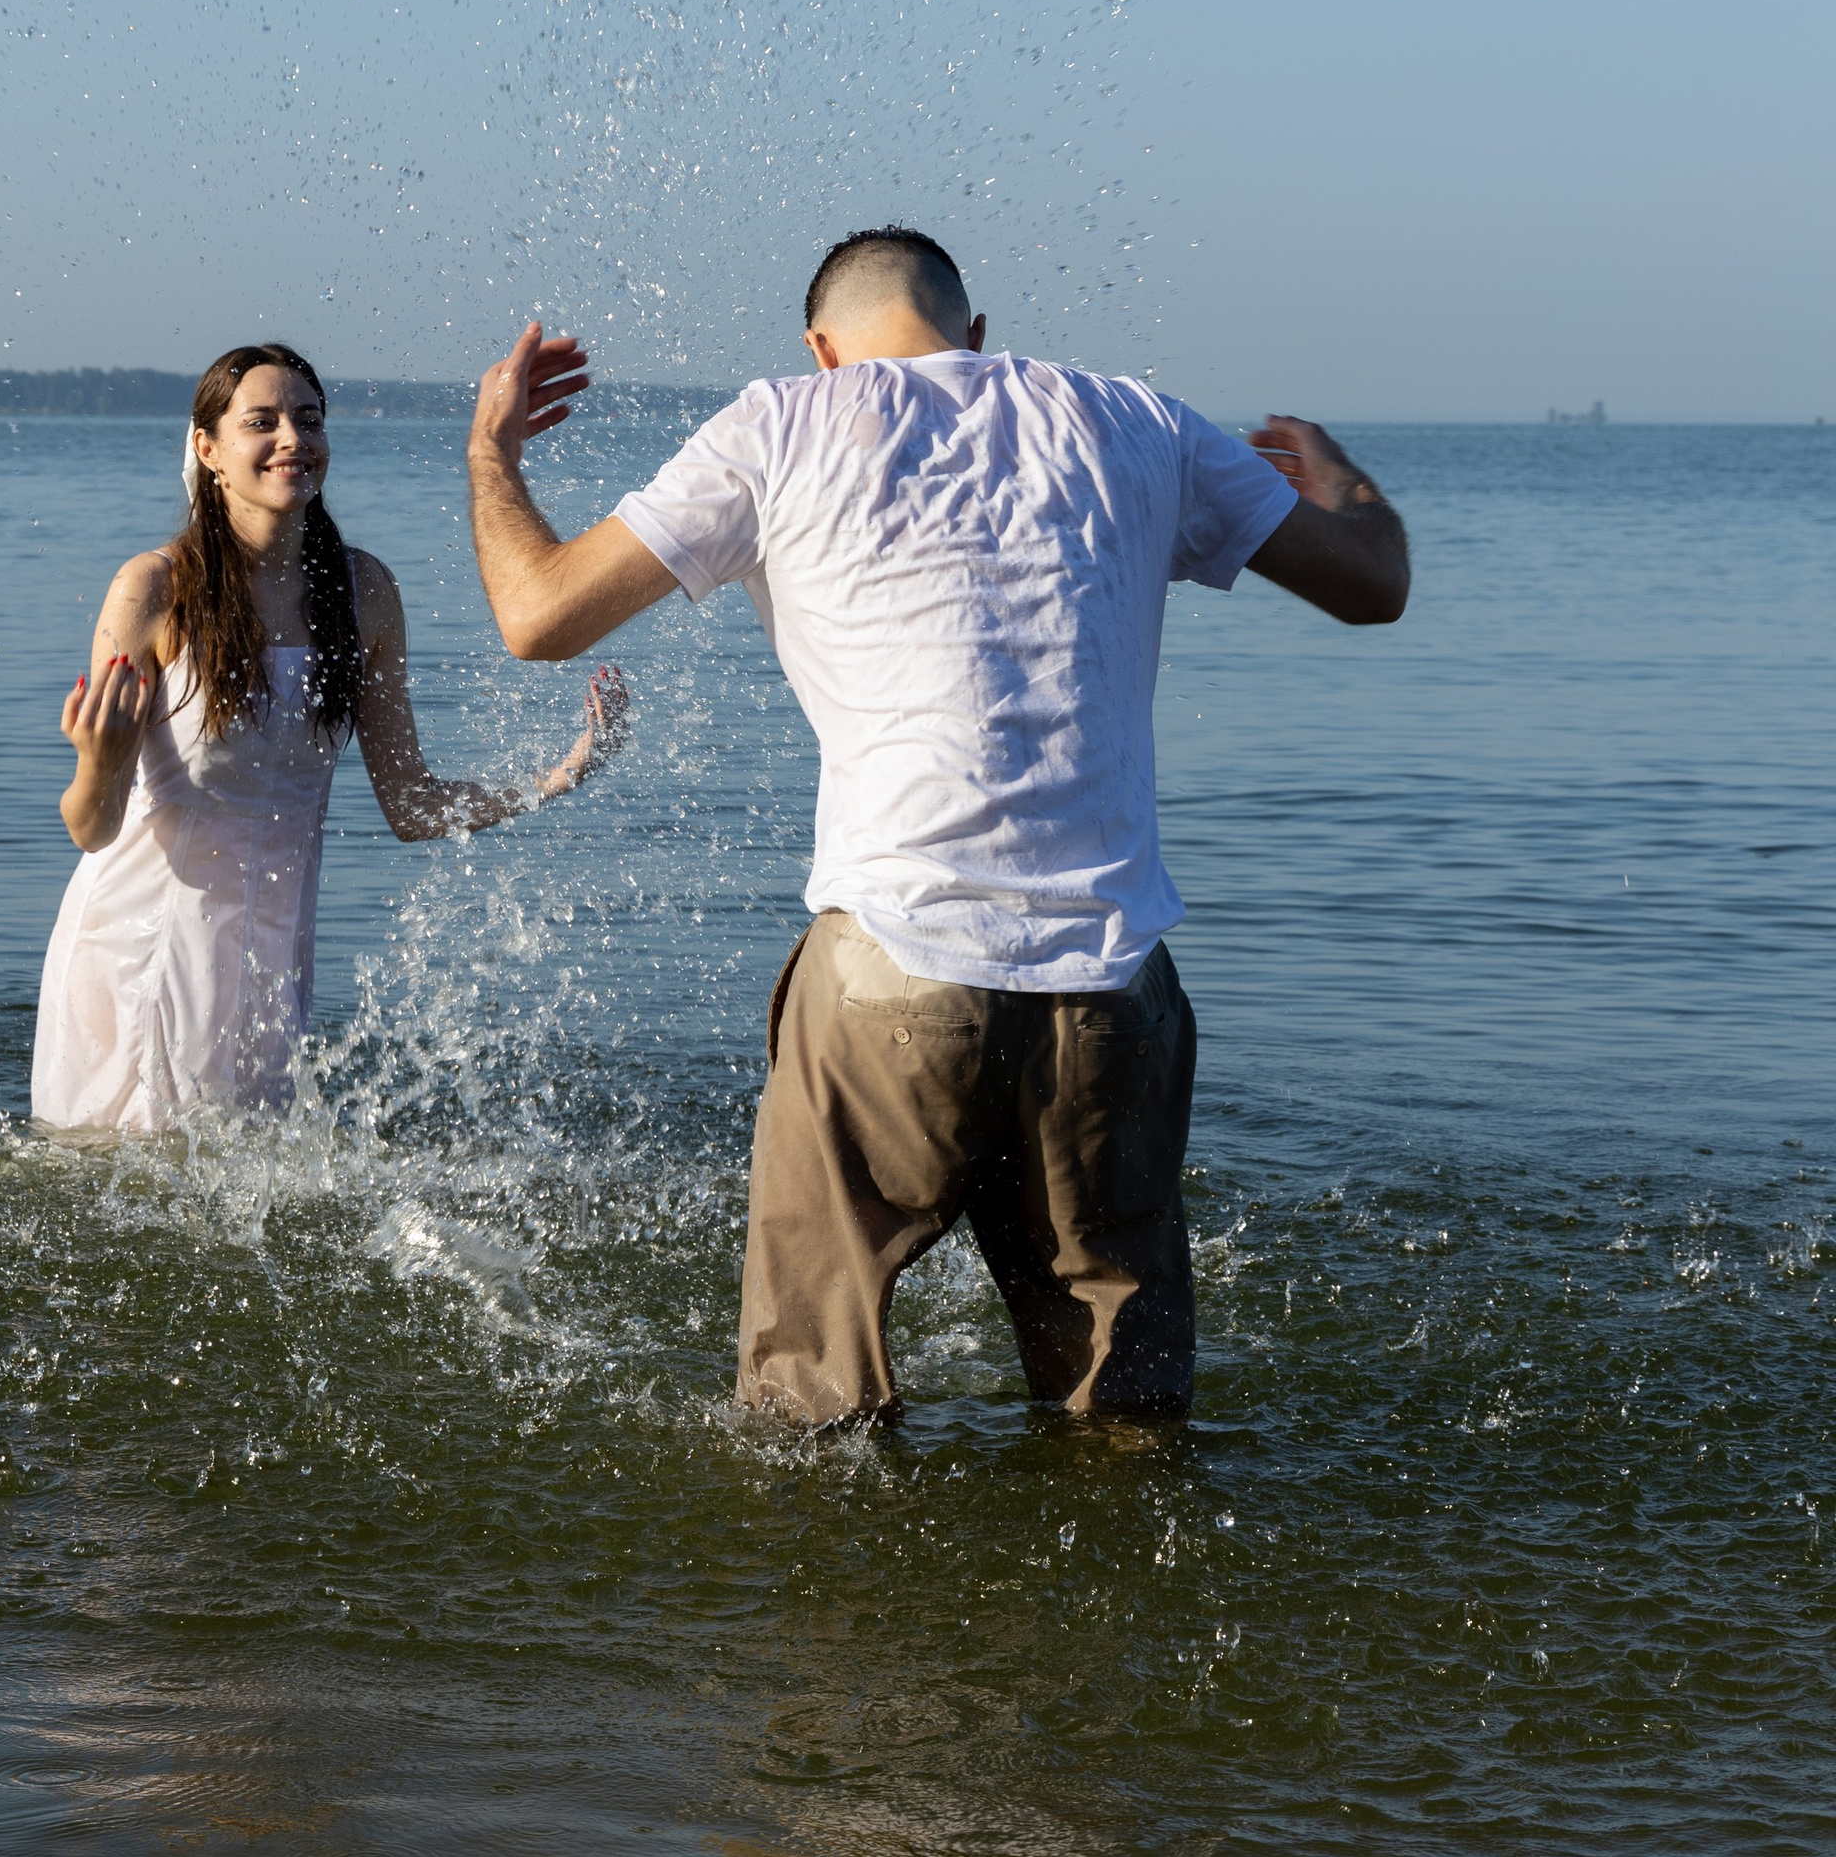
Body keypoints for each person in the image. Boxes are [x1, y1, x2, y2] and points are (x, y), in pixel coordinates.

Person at [462, 228, 1409, 1426]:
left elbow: (536, 615)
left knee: (808, 1414)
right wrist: (1341, 482)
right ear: (974, 335)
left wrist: (491, 451)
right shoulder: (1139, 421)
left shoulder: (782, 424)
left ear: (822, 351)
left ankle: (832, 1602)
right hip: (1109, 988)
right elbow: (1373, 586)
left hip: (891, 980)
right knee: (1123, 1421)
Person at [33, 341, 627, 1134]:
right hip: (143, 943)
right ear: (208, 449)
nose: (292, 439)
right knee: (123, 1180)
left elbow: (411, 805)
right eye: (263, 421)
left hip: (270, 957)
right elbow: (93, 825)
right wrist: (96, 762)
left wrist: (558, 776)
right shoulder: (156, 588)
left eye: (308, 419)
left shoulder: (365, 592)